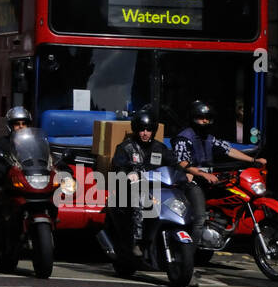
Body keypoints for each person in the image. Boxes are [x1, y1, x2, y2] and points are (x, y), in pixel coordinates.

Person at [172, 100, 265, 245]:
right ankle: (189, 253)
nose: (204, 121)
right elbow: (182, 162)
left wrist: (253, 160)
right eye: (201, 118)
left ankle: (221, 227)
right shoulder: (184, 138)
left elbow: (228, 150)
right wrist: (202, 174)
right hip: (190, 182)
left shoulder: (209, 138)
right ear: (193, 118)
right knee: (200, 218)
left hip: (207, 180)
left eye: (207, 118)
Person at [111, 109, 181, 257]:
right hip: (133, 190)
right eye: (142, 129)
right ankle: (136, 241)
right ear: (136, 129)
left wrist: (183, 175)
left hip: (157, 189)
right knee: (139, 201)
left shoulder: (160, 148)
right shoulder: (126, 147)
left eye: (149, 129)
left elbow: (174, 165)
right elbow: (118, 167)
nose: (145, 133)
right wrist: (128, 174)